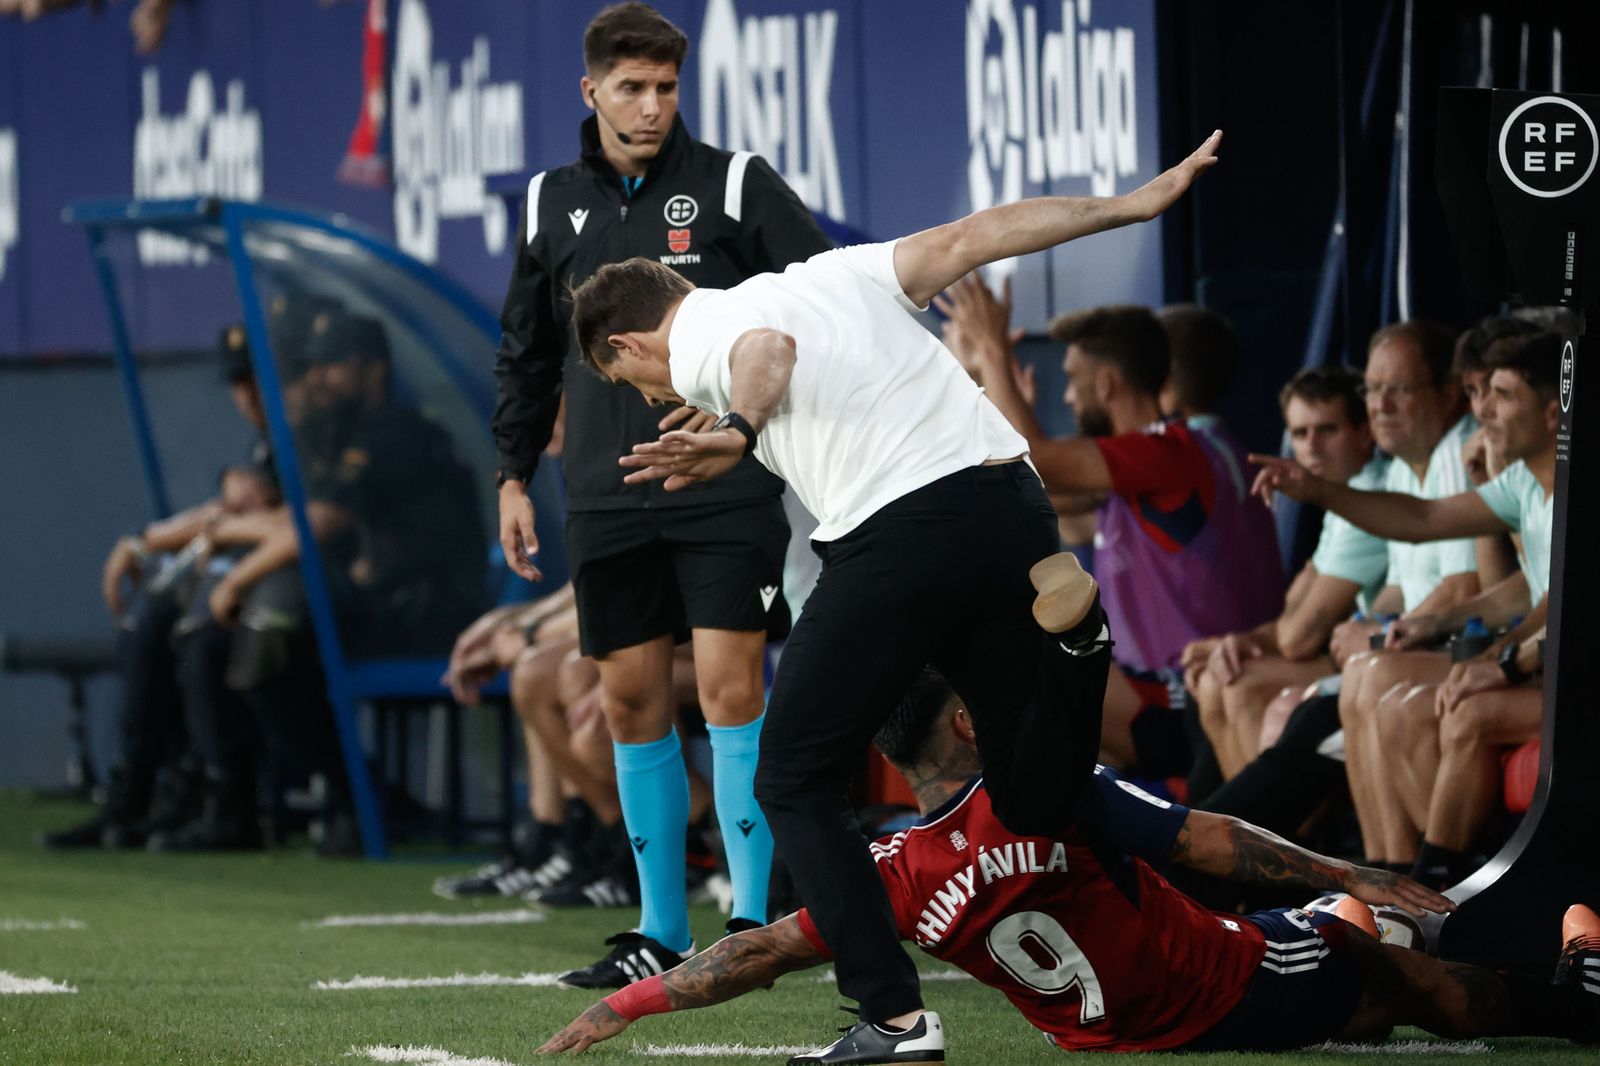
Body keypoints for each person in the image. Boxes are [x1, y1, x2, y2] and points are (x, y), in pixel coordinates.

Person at [570, 127, 1224, 1062]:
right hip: (1010, 507)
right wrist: (1131, 205)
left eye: (626, 377)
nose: (643, 394)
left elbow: (765, 351)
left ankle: (894, 1020)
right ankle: (1078, 644)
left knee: (790, 774)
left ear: (633, 337)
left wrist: (739, 425)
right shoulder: (836, 270)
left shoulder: (714, 331)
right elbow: (977, 236)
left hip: (903, 529)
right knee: (1037, 799)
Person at [537, 670, 1600, 1057]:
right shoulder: (1037, 789)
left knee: (1356, 943)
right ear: (966, 714)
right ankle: (1567, 1006)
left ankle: (1547, 969)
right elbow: (1212, 840)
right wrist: (1358, 871)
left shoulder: (890, 870)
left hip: (1119, 1034)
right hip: (1230, 987)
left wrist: (627, 1009)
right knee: (1373, 940)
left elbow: (760, 952)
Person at [491, 1, 831, 986]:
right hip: (602, 496)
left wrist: (749, 425)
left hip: (726, 493)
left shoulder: (733, 184)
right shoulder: (547, 202)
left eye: (666, 87)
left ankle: (754, 919)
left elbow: (815, 305)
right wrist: (514, 473)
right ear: (589, 90)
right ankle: (659, 929)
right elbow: (525, 354)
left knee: (731, 694)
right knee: (628, 700)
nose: (650, 106)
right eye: (631, 88)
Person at [1252, 332, 1560, 881]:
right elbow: (1422, 522)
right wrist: (1318, 491)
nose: (1482, 409)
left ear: (1554, 413)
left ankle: (1445, 884)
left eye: (1502, 394)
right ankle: (1398, 877)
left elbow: (1560, 611)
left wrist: (1504, 662)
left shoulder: (1571, 489)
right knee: (1396, 700)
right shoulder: (1521, 482)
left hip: (1568, 682)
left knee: (1459, 709)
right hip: (1541, 666)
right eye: (1480, 392)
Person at [1183, 366, 1387, 778]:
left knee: (1237, 684)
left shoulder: (1368, 494)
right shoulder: (1339, 503)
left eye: (1326, 430)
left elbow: (1299, 636)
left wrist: (1243, 644)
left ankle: (1255, 835)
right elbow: (1293, 607)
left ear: (1365, 432)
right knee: (1213, 673)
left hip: (1376, 662)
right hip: (1347, 658)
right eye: (1298, 433)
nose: (1311, 447)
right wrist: (1239, 641)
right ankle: (1240, 830)